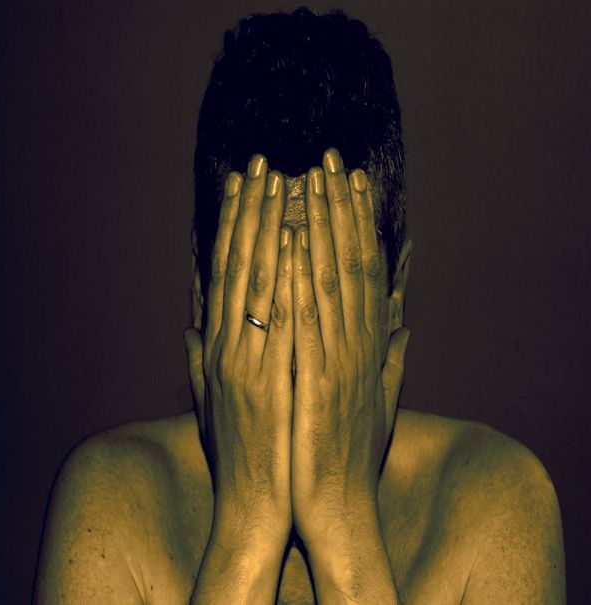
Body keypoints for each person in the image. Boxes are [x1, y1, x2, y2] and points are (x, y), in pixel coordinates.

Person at [33, 8, 565, 604]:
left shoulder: (497, 504)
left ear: (393, 300)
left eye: (326, 292)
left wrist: (343, 520)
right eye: (260, 295)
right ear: (203, 295)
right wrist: (246, 523)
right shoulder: (110, 507)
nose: (295, 344)